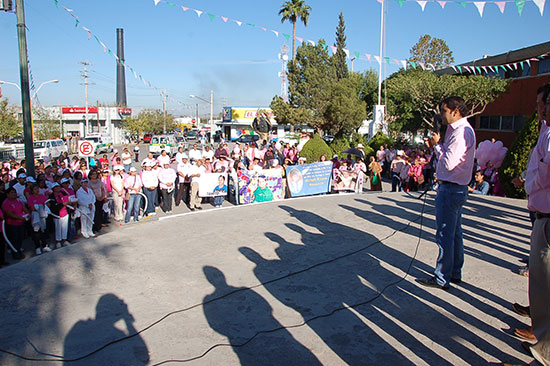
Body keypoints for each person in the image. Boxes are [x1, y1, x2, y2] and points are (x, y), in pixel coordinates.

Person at [416, 96, 476, 290]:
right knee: (455, 233)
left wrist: (436, 146)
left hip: (451, 188)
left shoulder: (460, 133)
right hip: (455, 187)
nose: (441, 114)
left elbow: (449, 163)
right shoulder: (456, 130)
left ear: (455, 111)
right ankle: (454, 272)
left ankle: (442, 276)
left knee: (445, 235)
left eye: (444, 111)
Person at [28, 184, 51, 254]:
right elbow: (32, 208)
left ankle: (44, 245)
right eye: (35, 189)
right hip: (35, 217)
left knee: (43, 231)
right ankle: (37, 247)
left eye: (37, 188)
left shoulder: (42, 196)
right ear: (32, 191)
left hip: (42, 215)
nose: (37, 190)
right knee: (36, 232)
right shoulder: (30, 198)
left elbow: (47, 204)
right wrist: (40, 206)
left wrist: (43, 206)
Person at [49, 183, 71, 247]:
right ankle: (58, 241)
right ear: (53, 188)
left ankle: (64, 240)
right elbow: (54, 206)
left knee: (65, 227)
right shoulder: (52, 196)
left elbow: (67, 200)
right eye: (56, 187)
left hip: (65, 212)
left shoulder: (63, 193)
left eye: (58, 186)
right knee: (58, 228)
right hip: (57, 214)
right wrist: (63, 204)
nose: (58, 188)